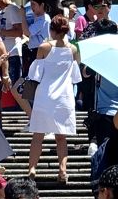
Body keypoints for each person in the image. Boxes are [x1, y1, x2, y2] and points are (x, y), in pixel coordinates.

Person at [23, 16, 79, 184]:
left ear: (52, 30)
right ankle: (62, 170)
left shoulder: (44, 47)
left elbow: (35, 74)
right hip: (65, 96)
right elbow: (76, 76)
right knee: (61, 137)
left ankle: (32, 168)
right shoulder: (73, 50)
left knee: (38, 135)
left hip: (45, 95)